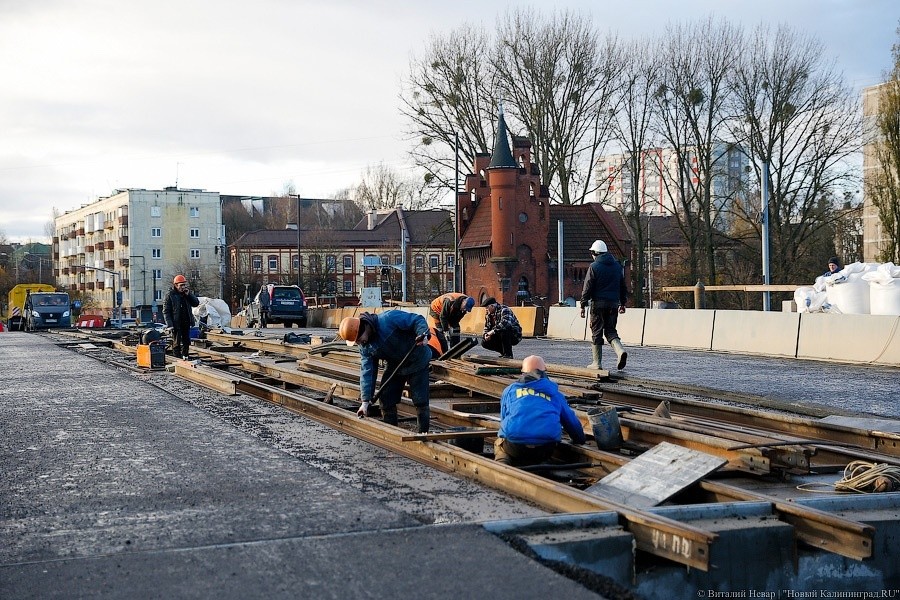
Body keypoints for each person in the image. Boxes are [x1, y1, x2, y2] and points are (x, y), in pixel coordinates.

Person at [339, 311, 432, 433]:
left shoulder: (389, 319)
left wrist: (423, 334)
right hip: (395, 366)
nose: (358, 343)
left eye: (358, 339)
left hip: (417, 360)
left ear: (363, 328)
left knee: (420, 400)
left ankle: (423, 434)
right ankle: (392, 432)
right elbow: (368, 371)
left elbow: (416, 319)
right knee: (386, 398)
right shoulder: (365, 346)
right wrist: (365, 401)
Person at [494, 355, 586, 466]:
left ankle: (502, 464)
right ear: (544, 372)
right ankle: (542, 463)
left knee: (499, 442)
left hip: (515, 447)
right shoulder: (555, 393)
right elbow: (572, 423)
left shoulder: (510, 390)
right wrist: (579, 439)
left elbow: (504, 420)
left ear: (523, 372)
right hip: (545, 449)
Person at [580, 240, 629, 371]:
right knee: (611, 331)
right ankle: (620, 352)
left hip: (598, 305)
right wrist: (623, 303)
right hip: (613, 304)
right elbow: (623, 287)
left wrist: (583, 304)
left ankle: (597, 363)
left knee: (597, 332)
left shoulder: (594, 267)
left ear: (595, 253)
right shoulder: (617, 267)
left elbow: (587, 287)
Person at [163, 274, 199, 359]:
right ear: (176, 285)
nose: (183, 287)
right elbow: (166, 311)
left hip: (186, 322)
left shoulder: (186, 294)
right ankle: (177, 359)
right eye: (181, 285)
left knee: (186, 341)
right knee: (176, 343)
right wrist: (170, 324)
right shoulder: (170, 295)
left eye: (184, 285)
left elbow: (196, 303)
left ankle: (185, 356)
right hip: (176, 324)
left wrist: (189, 295)